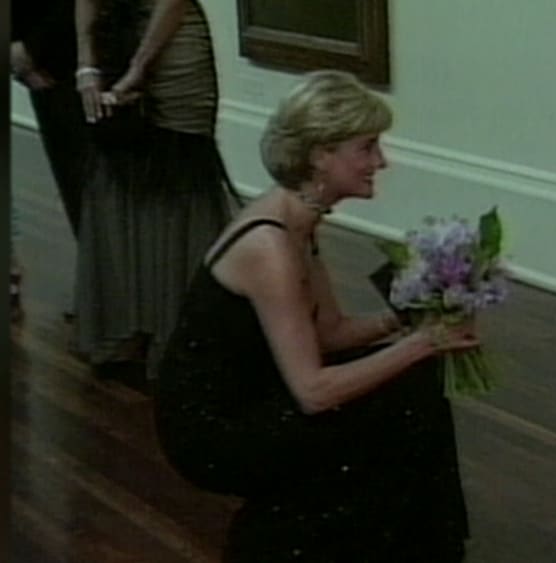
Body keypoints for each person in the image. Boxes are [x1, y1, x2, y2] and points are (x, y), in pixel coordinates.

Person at [153, 71, 476, 562]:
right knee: (407, 391)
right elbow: (313, 392)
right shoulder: (270, 246)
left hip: (259, 394)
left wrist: (405, 320)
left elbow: (330, 333)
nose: (380, 161)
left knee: (415, 381)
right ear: (322, 154)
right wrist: (425, 342)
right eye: (367, 147)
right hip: (216, 430)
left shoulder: (299, 222)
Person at [72, 0, 235, 370]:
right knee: (119, 178)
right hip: (112, 34)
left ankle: (178, 335)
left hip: (174, 42)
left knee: (177, 183)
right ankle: (127, 327)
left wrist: (139, 66)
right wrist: (86, 64)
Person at [12, 0, 92, 321]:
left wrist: (30, 50)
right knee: (73, 181)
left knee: (93, 183)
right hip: (44, 63)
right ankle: (100, 291)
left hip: (81, 57)